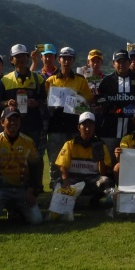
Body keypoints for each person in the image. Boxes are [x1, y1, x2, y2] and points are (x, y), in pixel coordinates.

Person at [0, 108, 43, 225]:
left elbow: (36, 167)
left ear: (20, 122)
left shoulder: (28, 142)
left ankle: (15, 209)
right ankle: (11, 207)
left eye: (16, 119)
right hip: (1, 190)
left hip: (22, 190)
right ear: (2, 122)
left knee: (36, 220)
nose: (13, 123)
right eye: (10, 119)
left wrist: (32, 190)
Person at [44, 46, 94, 188]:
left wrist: (78, 101)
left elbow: (88, 102)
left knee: (73, 159)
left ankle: (73, 186)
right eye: (63, 58)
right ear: (59, 60)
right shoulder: (50, 81)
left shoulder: (81, 80)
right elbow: (45, 102)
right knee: (55, 159)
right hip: (55, 126)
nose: (66, 61)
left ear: (73, 60)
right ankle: (55, 186)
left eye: (69, 58)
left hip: (74, 126)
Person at [55, 111, 114, 208]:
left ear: (94, 127)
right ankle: (89, 203)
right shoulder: (70, 144)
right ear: (79, 127)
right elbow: (63, 166)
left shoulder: (101, 145)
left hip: (92, 180)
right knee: (57, 183)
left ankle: (78, 202)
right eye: (84, 125)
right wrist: (65, 180)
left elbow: (103, 173)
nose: (87, 129)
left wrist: (101, 159)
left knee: (106, 181)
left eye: (90, 125)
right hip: (73, 180)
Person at [97, 49, 135, 150]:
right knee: (109, 163)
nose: (122, 64)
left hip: (133, 131)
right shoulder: (106, 81)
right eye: (119, 62)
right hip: (109, 130)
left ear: (129, 62)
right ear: (113, 64)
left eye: (124, 61)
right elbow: (99, 102)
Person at [1, 44, 47, 150]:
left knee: (34, 158)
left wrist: (36, 103)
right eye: (17, 56)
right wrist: (7, 103)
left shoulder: (38, 79)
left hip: (33, 125)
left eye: (23, 56)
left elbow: (44, 100)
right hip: (12, 127)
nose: (21, 59)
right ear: (11, 59)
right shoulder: (5, 80)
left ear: (27, 58)